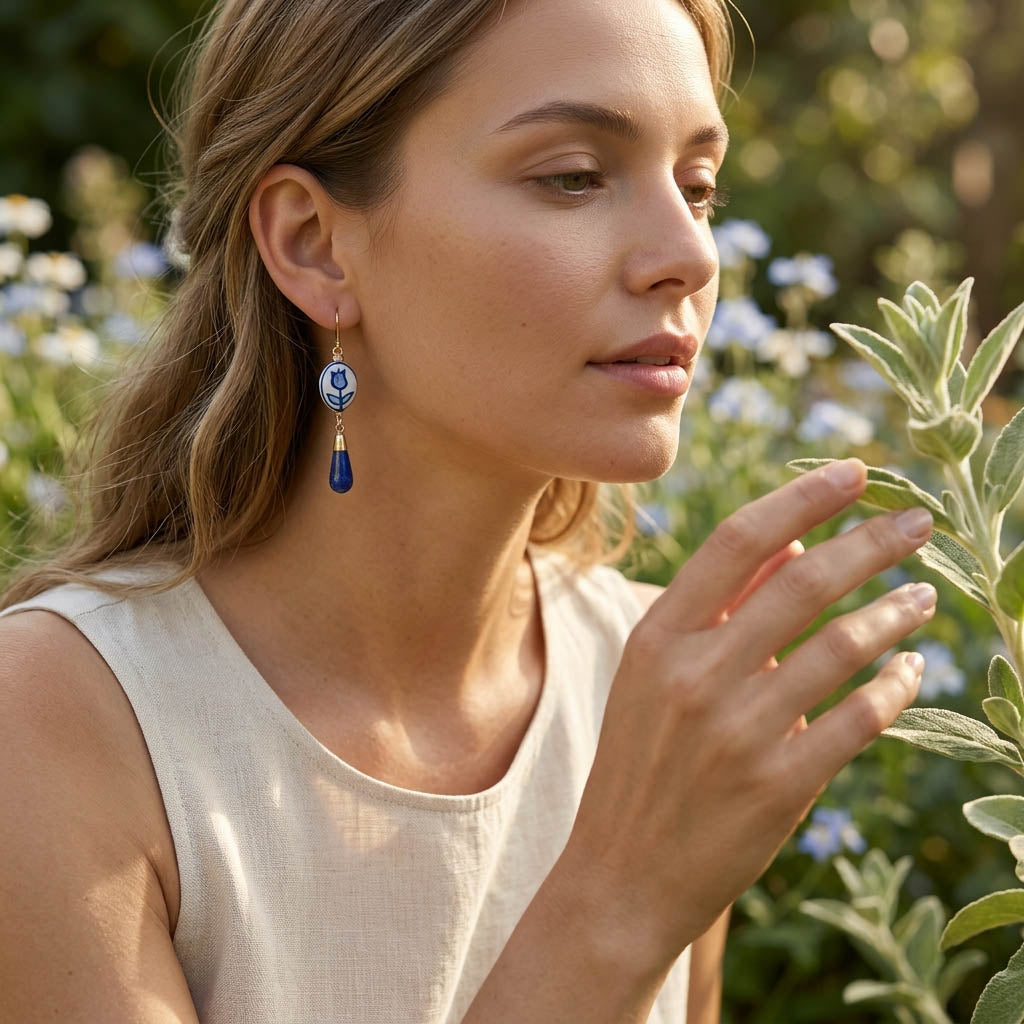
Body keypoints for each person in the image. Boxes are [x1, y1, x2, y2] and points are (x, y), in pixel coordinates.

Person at [0, 0, 939, 1020]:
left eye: (698, 186)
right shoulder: (58, 724)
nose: (691, 255)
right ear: (314, 244)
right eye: (573, 176)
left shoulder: (657, 676)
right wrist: (614, 909)